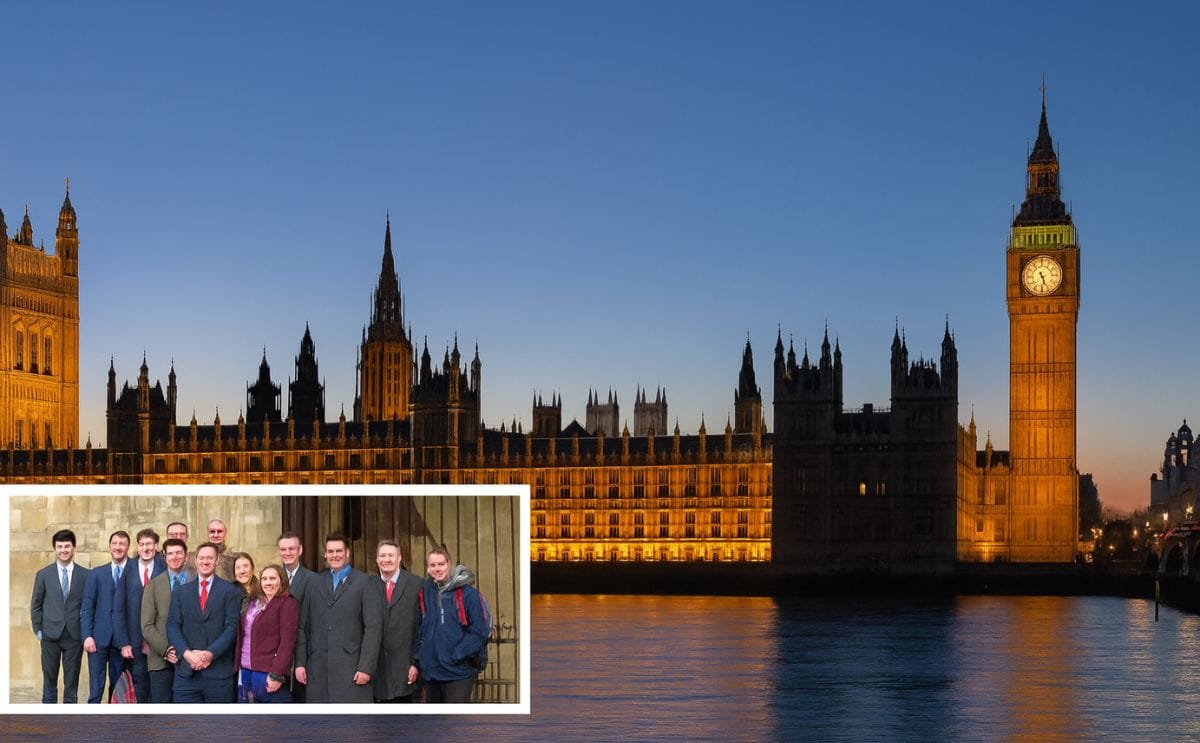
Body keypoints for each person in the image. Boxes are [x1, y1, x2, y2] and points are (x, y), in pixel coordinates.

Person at [294, 532, 382, 703]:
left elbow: (373, 628)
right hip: (318, 670)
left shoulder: (365, 582)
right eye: (331, 551)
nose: (335, 555)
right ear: (325, 554)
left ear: (347, 553)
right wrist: (300, 663)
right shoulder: (314, 582)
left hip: (351, 669)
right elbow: (303, 626)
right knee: (321, 725)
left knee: (352, 725)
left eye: (339, 551)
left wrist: (366, 668)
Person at [166, 542, 241, 703]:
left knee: (218, 726)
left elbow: (231, 628)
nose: (205, 561)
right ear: (195, 561)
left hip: (218, 673)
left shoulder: (230, 591)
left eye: (209, 558)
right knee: (185, 725)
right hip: (187, 673)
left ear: (217, 560)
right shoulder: (181, 591)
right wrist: (187, 654)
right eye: (201, 558)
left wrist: (210, 654)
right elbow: (172, 625)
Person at [416, 546, 491, 703]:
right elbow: (420, 627)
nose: (437, 569)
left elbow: (480, 630)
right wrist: (422, 658)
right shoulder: (425, 592)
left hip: (459, 672)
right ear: (428, 568)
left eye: (441, 564)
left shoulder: (469, 594)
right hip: (431, 672)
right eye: (433, 565)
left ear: (449, 564)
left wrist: (457, 654)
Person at [31, 529, 91, 703]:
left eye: (67, 546)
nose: (63, 550)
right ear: (54, 549)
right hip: (50, 636)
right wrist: (39, 631)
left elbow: (88, 607)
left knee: (71, 683)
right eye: (59, 546)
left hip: (74, 636)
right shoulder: (43, 574)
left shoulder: (86, 575)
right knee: (49, 682)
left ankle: (68, 722)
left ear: (73, 548)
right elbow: (36, 605)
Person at [236, 564, 300, 703]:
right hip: (246, 669)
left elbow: (287, 642)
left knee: (273, 722)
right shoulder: (253, 602)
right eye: (264, 579)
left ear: (281, 581)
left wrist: (277, 675)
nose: (268, 582)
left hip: (268, 672)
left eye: (272, 578)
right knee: (247, 721)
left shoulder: (288, 602)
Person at [81, 530, 132, 703]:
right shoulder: (96, 573)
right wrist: (87, 636)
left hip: (123, 641)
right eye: (115, 543)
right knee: (96, 688)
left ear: (128, 547)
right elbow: (87, 607)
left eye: (122, 544)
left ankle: (115, 725)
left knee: (118, 689)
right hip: (98, 639)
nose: (118, 547)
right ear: (109, 546)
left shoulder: (135, 570)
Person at [141, 537, 191, 703]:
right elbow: (147, 625)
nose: (174, 557)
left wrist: (185, 651)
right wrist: (166, 650)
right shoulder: (153, 585)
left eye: (178, 553)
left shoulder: (197, 581)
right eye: (170, 553)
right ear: (164, 556)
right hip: (160, 659)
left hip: (190, 659)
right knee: (161, 711)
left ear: (186, 556)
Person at [373, 540, 422, 703]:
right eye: (382, 555)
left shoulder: (416, 584)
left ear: (399, 558)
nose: (386, 559)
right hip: (377, 672)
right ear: (377, 559)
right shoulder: (367, 585)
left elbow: (421, 627)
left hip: (406, 670)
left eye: (391, 555)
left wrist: (416, 663)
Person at [123, 528, 166, 702]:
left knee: (159, 685)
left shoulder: (165, 567)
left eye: (149, 544)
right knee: (138, 682)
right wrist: (123, 641)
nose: (145, 548)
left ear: (156, 546)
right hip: (133, 638)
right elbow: (120, 607)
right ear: (138, 547)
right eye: (142, 544)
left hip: (159, 637)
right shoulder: (127, 567)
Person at [277, 531, 313, 703]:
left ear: (300, 550)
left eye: (291, 548)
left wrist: (302, 661)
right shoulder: (272, 577)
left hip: (303, 650)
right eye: (283, 549)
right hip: (277, 653)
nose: (287, 553)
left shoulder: (313, 579)